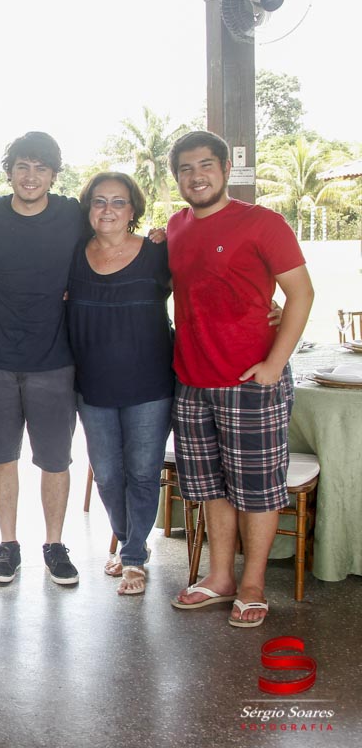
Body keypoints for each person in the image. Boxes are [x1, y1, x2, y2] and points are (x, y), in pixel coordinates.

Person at [166, 131, 313, 627]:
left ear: (226, 169)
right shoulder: (176, 227)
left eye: (206, 165)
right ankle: (219, 577)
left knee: (256, 489)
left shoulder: (263, 223)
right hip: (191, 380)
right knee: (209, 488)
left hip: (251, 380)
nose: (196, 176)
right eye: (186, 169)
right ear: (177, 177)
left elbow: (301, 294)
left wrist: (273, 364)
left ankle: (252, 585)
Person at [0, 132, 88, 586]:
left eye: (41, 168)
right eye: (23, 167)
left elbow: (113, 240)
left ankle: (54, 544)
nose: (31, 177)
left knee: (55, 460)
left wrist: (157, 239)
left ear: (54, 174)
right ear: (9, 171)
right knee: (3, 459)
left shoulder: (72, 213)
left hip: (55, 360)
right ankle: (7, 544)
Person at [67, 173, 174, 596]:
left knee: (143, 473)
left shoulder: (158, 253)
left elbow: (205, 286)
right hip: (92, 387)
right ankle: (131, 541)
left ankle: (132, 558)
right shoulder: (73, 255)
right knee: (109, 475)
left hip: (150, 385)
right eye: (99, 201)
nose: (107, 209)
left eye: (118, 202)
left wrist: (268, 305)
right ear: (88, 209)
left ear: (133, 211)